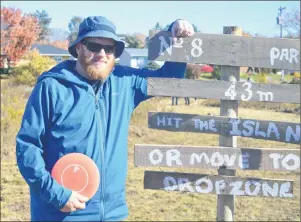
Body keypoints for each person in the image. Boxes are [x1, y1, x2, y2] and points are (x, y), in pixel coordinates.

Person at [16, 16, 194, 221]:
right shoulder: (52, 87)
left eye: (110, 49)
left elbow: (169, 80)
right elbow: (27, 147)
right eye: (94, 46)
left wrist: (174, 30)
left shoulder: (125, 82)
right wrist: (56, 194)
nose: (102, 54)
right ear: (79, 47)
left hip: (112, 213)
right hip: (62, 212)